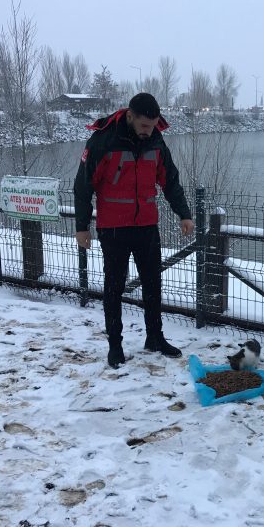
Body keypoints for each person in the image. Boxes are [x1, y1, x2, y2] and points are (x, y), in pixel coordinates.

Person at [74, 93, 194, 368]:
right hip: (113, 228)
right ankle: (114, 345)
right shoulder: (103, 141)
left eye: (151, 127)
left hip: (146, 227)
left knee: (153, 284)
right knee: (114, 288)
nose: (147, 132)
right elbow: (82, 187)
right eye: (143, 126)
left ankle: (155, 337)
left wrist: (184, 214)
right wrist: (82, 227)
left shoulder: (155, 140)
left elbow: (170, 180)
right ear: (130, 116)